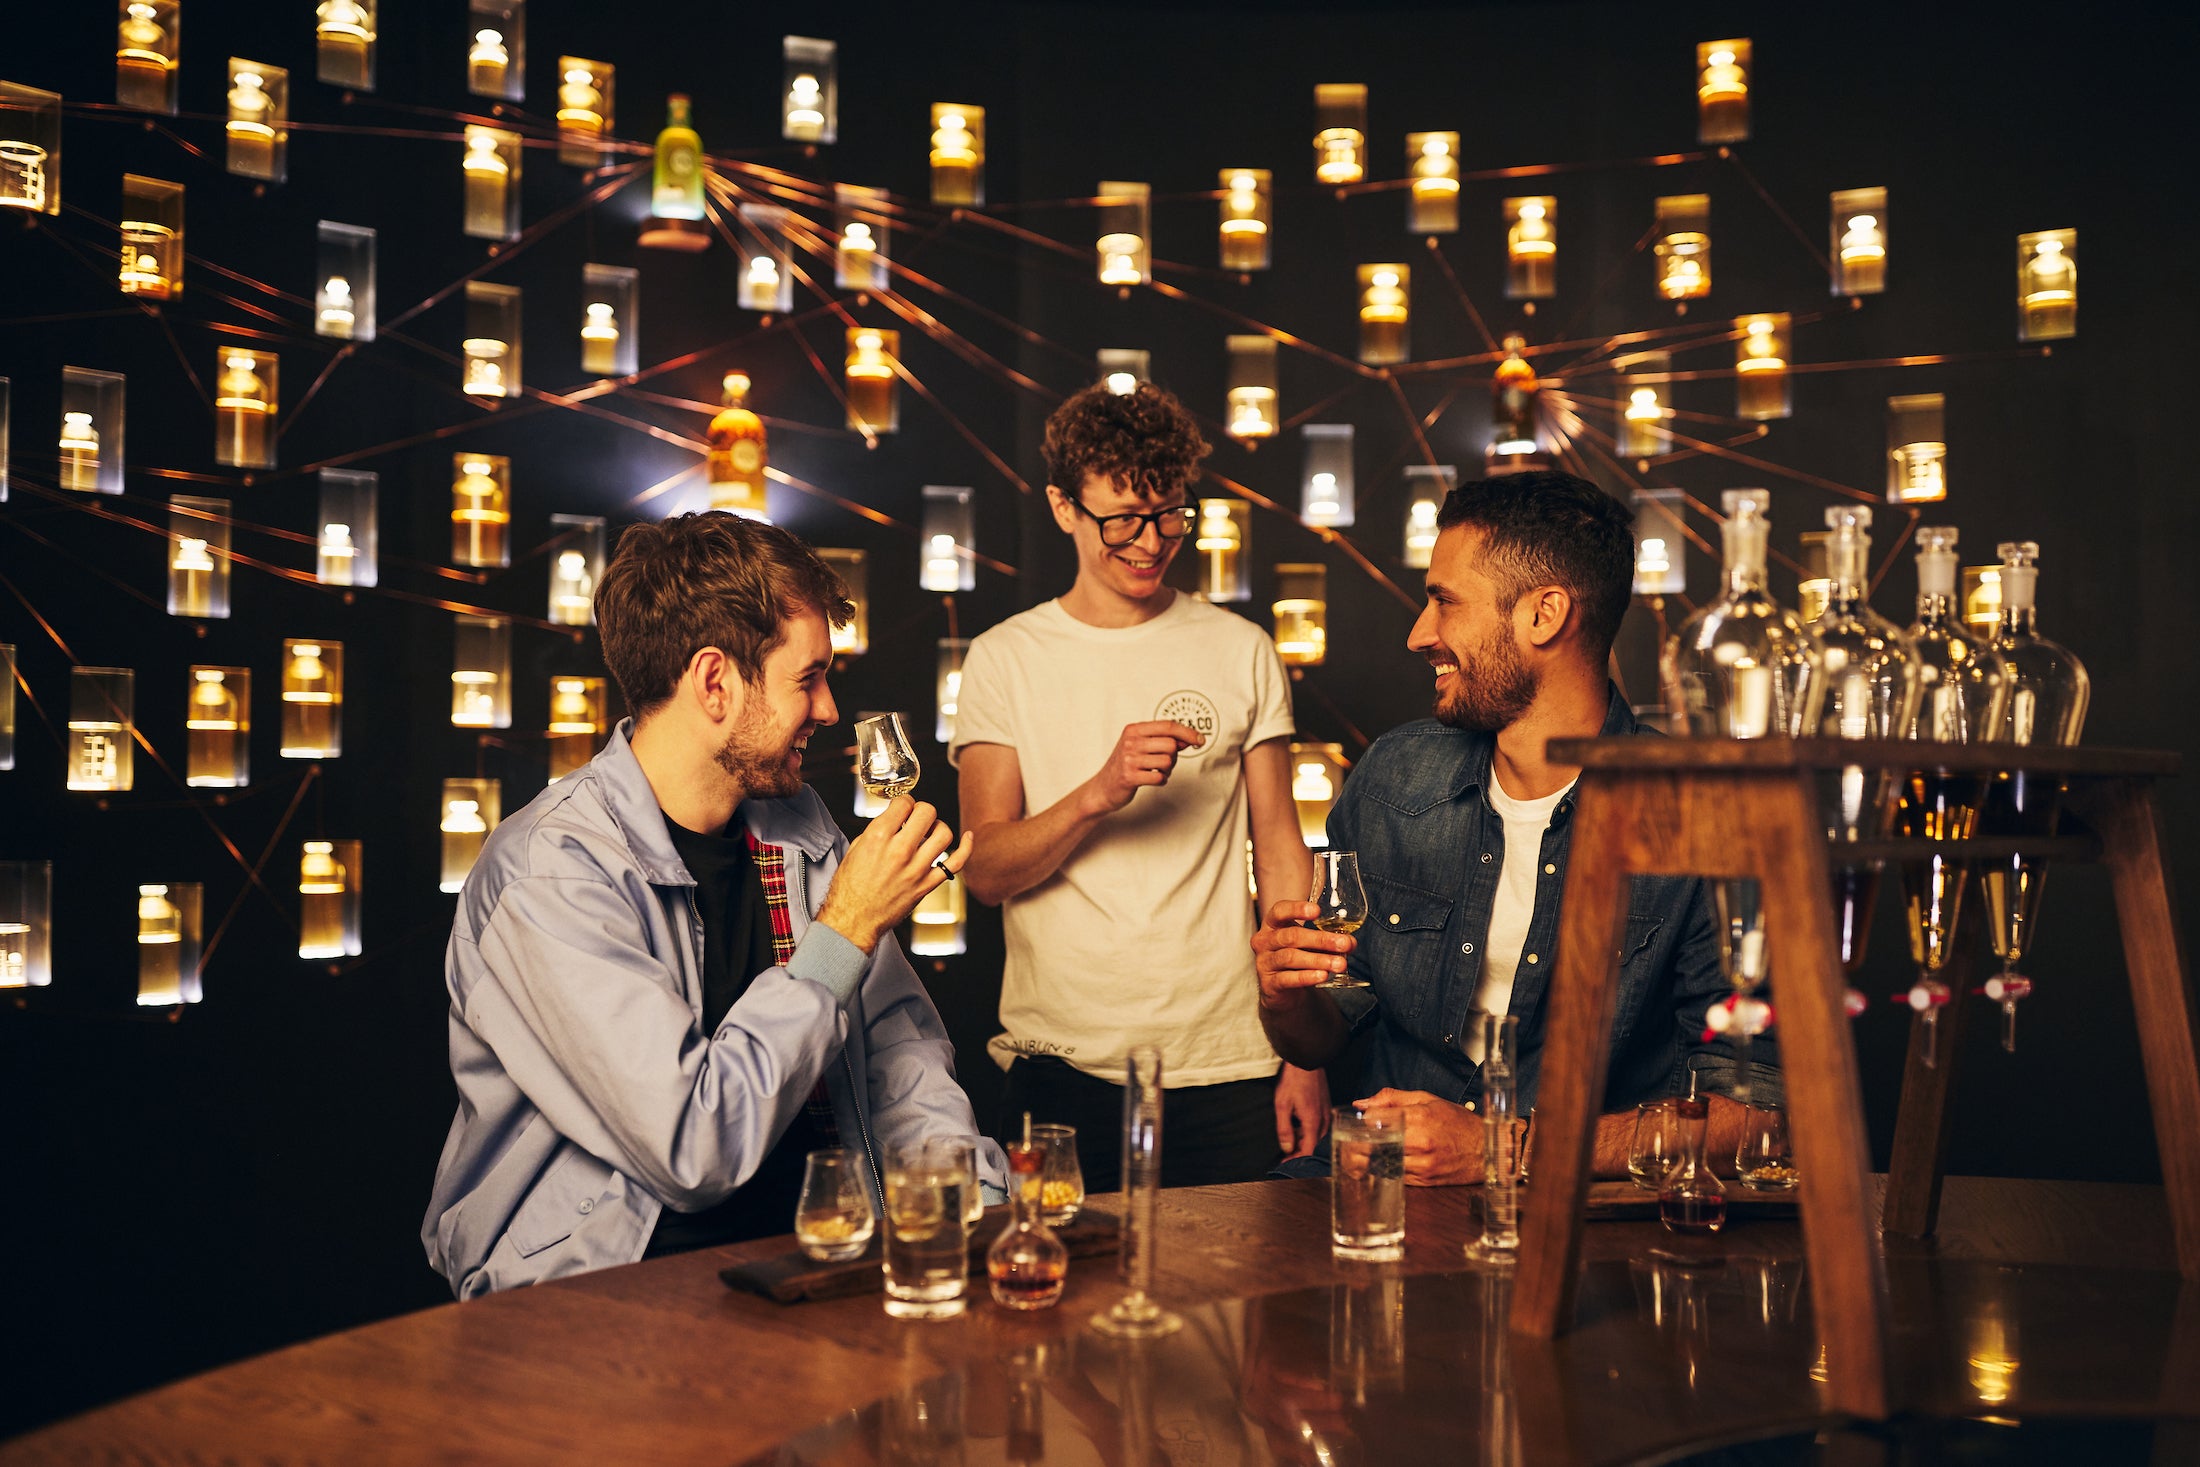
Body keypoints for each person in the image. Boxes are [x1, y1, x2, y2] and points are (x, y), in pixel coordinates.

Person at [423, 513, 1001, 1297]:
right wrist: (845, 929)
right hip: (600, 1303)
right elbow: (695, 1144)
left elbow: (898, 1057)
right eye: (809, 678)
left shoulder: (800, 828)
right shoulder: (550, 872)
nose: (829, 710)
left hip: (809, 1269)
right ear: (715, 681)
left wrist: (981, 1216)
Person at [1252, 471, 1775, 1184]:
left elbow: (1758, 1109)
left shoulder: (1701, 816)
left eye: (1444, 602)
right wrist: (1285, 995)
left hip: (1585, 1222)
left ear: (1544, 614)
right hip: (1379, 1189)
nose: (1418, 634)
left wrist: (1506, 1148)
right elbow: (1322, 1037)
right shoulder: (1392, 778)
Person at [952, 382, 1327, 1190]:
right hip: (1061, 1069)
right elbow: (984, 870)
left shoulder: (1242, 648)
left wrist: (1304, 1050)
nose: (1150, 541)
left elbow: (1283, 852)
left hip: (1228, 1061)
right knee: (1063, 1302)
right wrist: (1100, 789)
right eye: (1121, 518)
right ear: (1063, 507)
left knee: (1234, 1312)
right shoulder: (1003, 658)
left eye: (1170, 514)